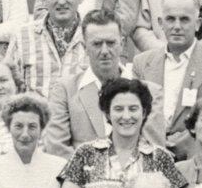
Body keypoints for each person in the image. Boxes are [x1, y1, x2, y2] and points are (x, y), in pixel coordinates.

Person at [55, 78, 183, 188]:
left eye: (133, 109)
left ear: (144, 112)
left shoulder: (160, 157)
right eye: (118, 109)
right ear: (107, 113)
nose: (126, 116)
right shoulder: (85, 153)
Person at [134, 0, 202, 161]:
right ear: (160, 23)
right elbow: (137, 112)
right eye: (170, 19)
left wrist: (180, 144)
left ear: (197, 23)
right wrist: (159, 146)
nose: (177, 26)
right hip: (148, 154)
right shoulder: (141, 63)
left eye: (184, 19)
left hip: (196, 156)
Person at [45, 11, 146, 154]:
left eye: (111, 43)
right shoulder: (65, 91)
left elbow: (153, 150)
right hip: (81, 174)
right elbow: (57, 148)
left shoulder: (145, 90)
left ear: (122, 44)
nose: (104, 51)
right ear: (85, 47)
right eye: (97, 44)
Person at [2, 0, 91, 106]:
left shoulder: (94, 37)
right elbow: (7, 88)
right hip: (36, 123)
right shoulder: (23, 35)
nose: (61, 2)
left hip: (80, 124)